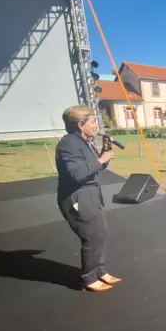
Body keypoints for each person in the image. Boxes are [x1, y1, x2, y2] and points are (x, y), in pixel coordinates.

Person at [55, 105, 120, 292]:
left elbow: (94, 167)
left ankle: (100, 270)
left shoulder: (84, 142)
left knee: (102, 234)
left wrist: (104, 154)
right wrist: (100, 159)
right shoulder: (69, 144)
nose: (96, 125)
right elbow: (76, 174)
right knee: (92, 237)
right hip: (77, 197)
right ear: (80, 124)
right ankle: (88, 279)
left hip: (90, 194)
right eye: (93, 121)